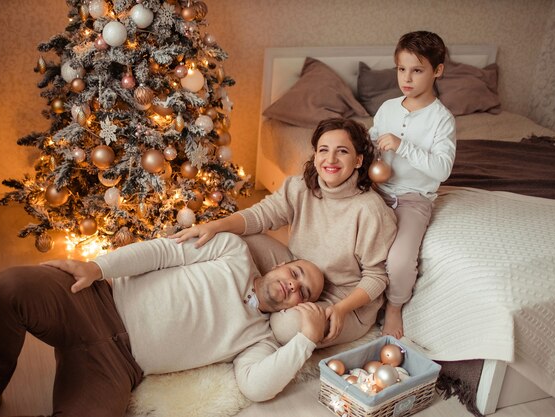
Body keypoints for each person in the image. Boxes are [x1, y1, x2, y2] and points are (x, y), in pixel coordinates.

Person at [0, 232, 327, 416]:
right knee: (9, 287)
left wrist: (306, 340)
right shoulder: (233, 251)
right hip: (94, 300)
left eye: (304, 292)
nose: (293, 285)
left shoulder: (260, 340)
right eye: (295, 273)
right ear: (283, 264)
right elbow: (163, 252)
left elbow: (256, 387)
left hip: (115, 368)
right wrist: (97, 268)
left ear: (300, 305)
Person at [171, 117, 397, 348]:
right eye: (323, 150)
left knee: (286, 327)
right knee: (230, 238)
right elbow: (261, 215)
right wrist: (215, 225)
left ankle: (250, 314)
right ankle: (188, 287)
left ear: (358, 160)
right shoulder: (300, 187)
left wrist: (341, 310)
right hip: (297, 269)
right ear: (315, 155)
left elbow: (376, 276)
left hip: (343, 299)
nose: (330, 159)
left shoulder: (370, 210)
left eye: (342, 152)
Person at [369, 31, 456, 339]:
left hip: (413, 198)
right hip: (377, 192)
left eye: (417, 70)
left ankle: (394, 306)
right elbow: (373, 138)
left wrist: (402, 146)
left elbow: (442, 169)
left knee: (400, 260)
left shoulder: (441, 120)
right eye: (401, 69)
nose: (407, 77)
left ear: (437, 70)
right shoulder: (388, 108)